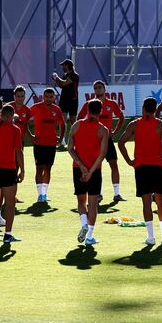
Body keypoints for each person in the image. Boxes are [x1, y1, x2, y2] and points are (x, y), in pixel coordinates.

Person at [118, 97, 162, 245]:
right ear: (155, 109)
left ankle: (150, 237)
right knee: (160, 201)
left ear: (143, 108)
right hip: (157, 166)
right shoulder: (161, 124)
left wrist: (129, 160)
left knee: (146, 203)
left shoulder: (134, 124)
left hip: (141, 167)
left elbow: (121, 142)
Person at [68, 99, 109, 245]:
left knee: (81, 202)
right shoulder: (103, 130)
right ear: (101, 111)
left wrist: (81, 166)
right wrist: (90, 171)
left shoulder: (76, 125)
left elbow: (70, 148)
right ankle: (90, 236)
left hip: (77, 169)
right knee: (93, 204)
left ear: (87, 109)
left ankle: (84, 224)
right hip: (95, 170)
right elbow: (102, 154)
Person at [78, 81, 126, 202]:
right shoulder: (89, 104)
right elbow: (79, 119)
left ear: (105, 89)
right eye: (95, 88)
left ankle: (117, 193)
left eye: (100, 87)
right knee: (94, 167)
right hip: (94, 141)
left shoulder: (111, 103)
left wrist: (114, 131)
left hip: (108, 139)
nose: (97, 90)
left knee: (113, 164)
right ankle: (97, 193)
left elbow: (121, 118)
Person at [0, 105, 24, 243]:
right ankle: (7, 234)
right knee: (10, 204)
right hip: (9, 170)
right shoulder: (15, 130)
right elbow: (19, 152)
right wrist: (22, 170)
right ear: (12, 116)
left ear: (0, 114)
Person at [29, 88, 65, 202]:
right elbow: (25, 120)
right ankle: (40, 195)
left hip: (51, 144)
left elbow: (62, 124)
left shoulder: (56, 109)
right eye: (47, 97)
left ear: (54, 98)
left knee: (48, 169)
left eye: (51, 97)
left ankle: (45, 194)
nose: (49, 99)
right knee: (39, 169)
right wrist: (31, 136)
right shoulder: (36, 107)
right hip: (39, 144)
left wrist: (60, 137)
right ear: (43, 97)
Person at [52, 58, 79, 147]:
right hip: (64, 99)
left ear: (67, 66)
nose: (62, 67)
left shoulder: (74, 75)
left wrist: (57, 77)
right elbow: (61, 85)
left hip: (73, 100)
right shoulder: (65, 75)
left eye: (63, 65)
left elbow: (64, 83)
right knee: (62, 120)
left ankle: (76, 139)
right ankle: (62, 140)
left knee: (73, 121)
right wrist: (56, 79)